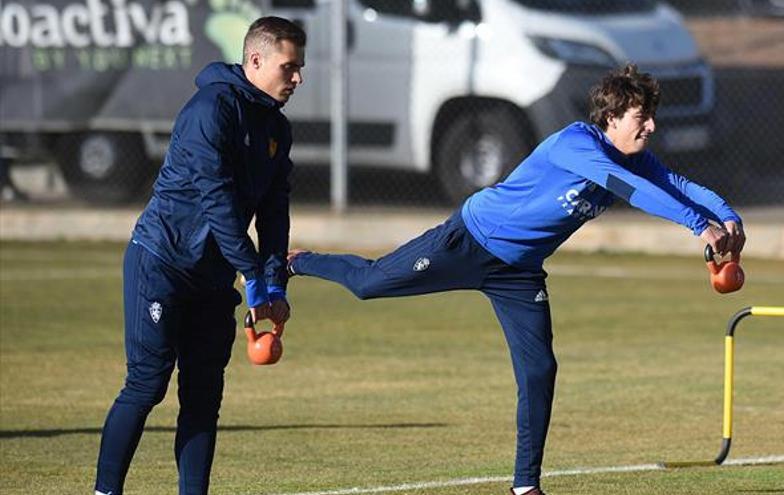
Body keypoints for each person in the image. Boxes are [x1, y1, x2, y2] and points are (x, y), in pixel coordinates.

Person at [286, 64, 746, 495]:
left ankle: (525, 485)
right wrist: (696, 225)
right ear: (610, 117)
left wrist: (727, 218)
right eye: (641, 118)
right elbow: (627, 188)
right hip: (467, 241)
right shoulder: (576, 144)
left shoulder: (636, 158)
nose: (650, 128)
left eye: (651, 119)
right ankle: (296, 261)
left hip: (519, 272)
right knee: (369, 284)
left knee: (539, 369)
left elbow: (678, 185)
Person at [94, 17, 305, 495]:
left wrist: (273, 284)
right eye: (288, 67)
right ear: (256, 60)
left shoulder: (276, 127)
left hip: (212, 277)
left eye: (300, 68)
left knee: (203, 397)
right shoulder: (210, 110)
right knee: (147, 385)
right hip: (161, 262)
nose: (297, 79)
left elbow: (275, 213)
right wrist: (252, 278)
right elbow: (219, 206)